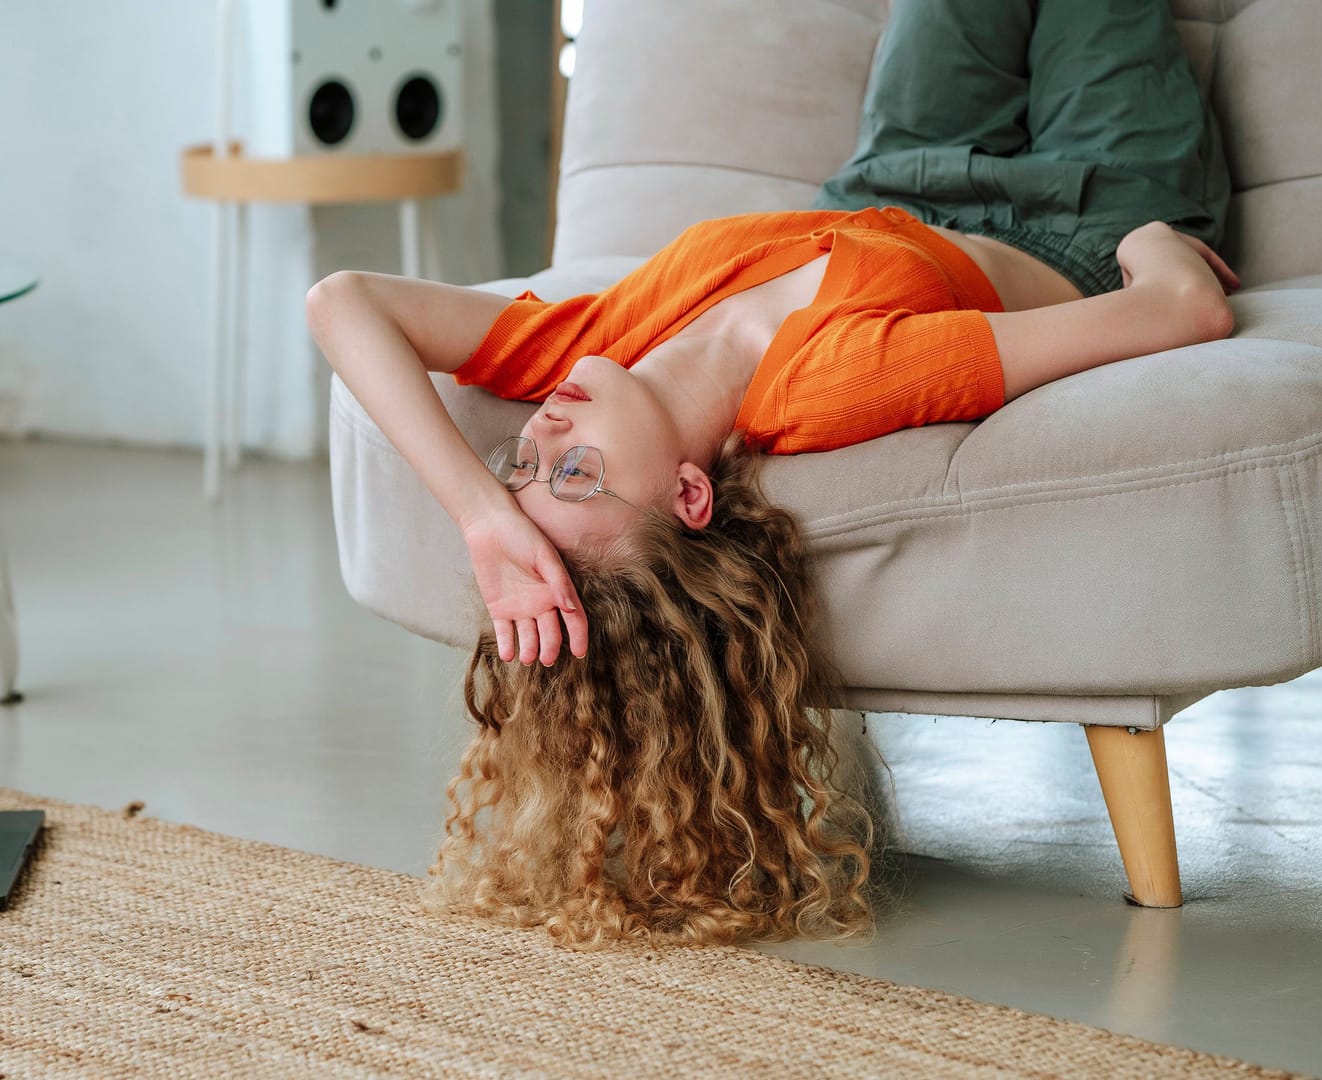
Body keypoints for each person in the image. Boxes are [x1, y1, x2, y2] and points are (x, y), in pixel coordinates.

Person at [307, 0, 1235, 948]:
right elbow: (1185, 312)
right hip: (1077, 210)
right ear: (688, 494)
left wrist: (480, 516)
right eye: (575, 477)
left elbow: (344, 301)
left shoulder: (598, 342)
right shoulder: (825, 386)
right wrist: (1148, 241)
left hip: (894, 174)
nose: (541, 431)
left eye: (523, 468)